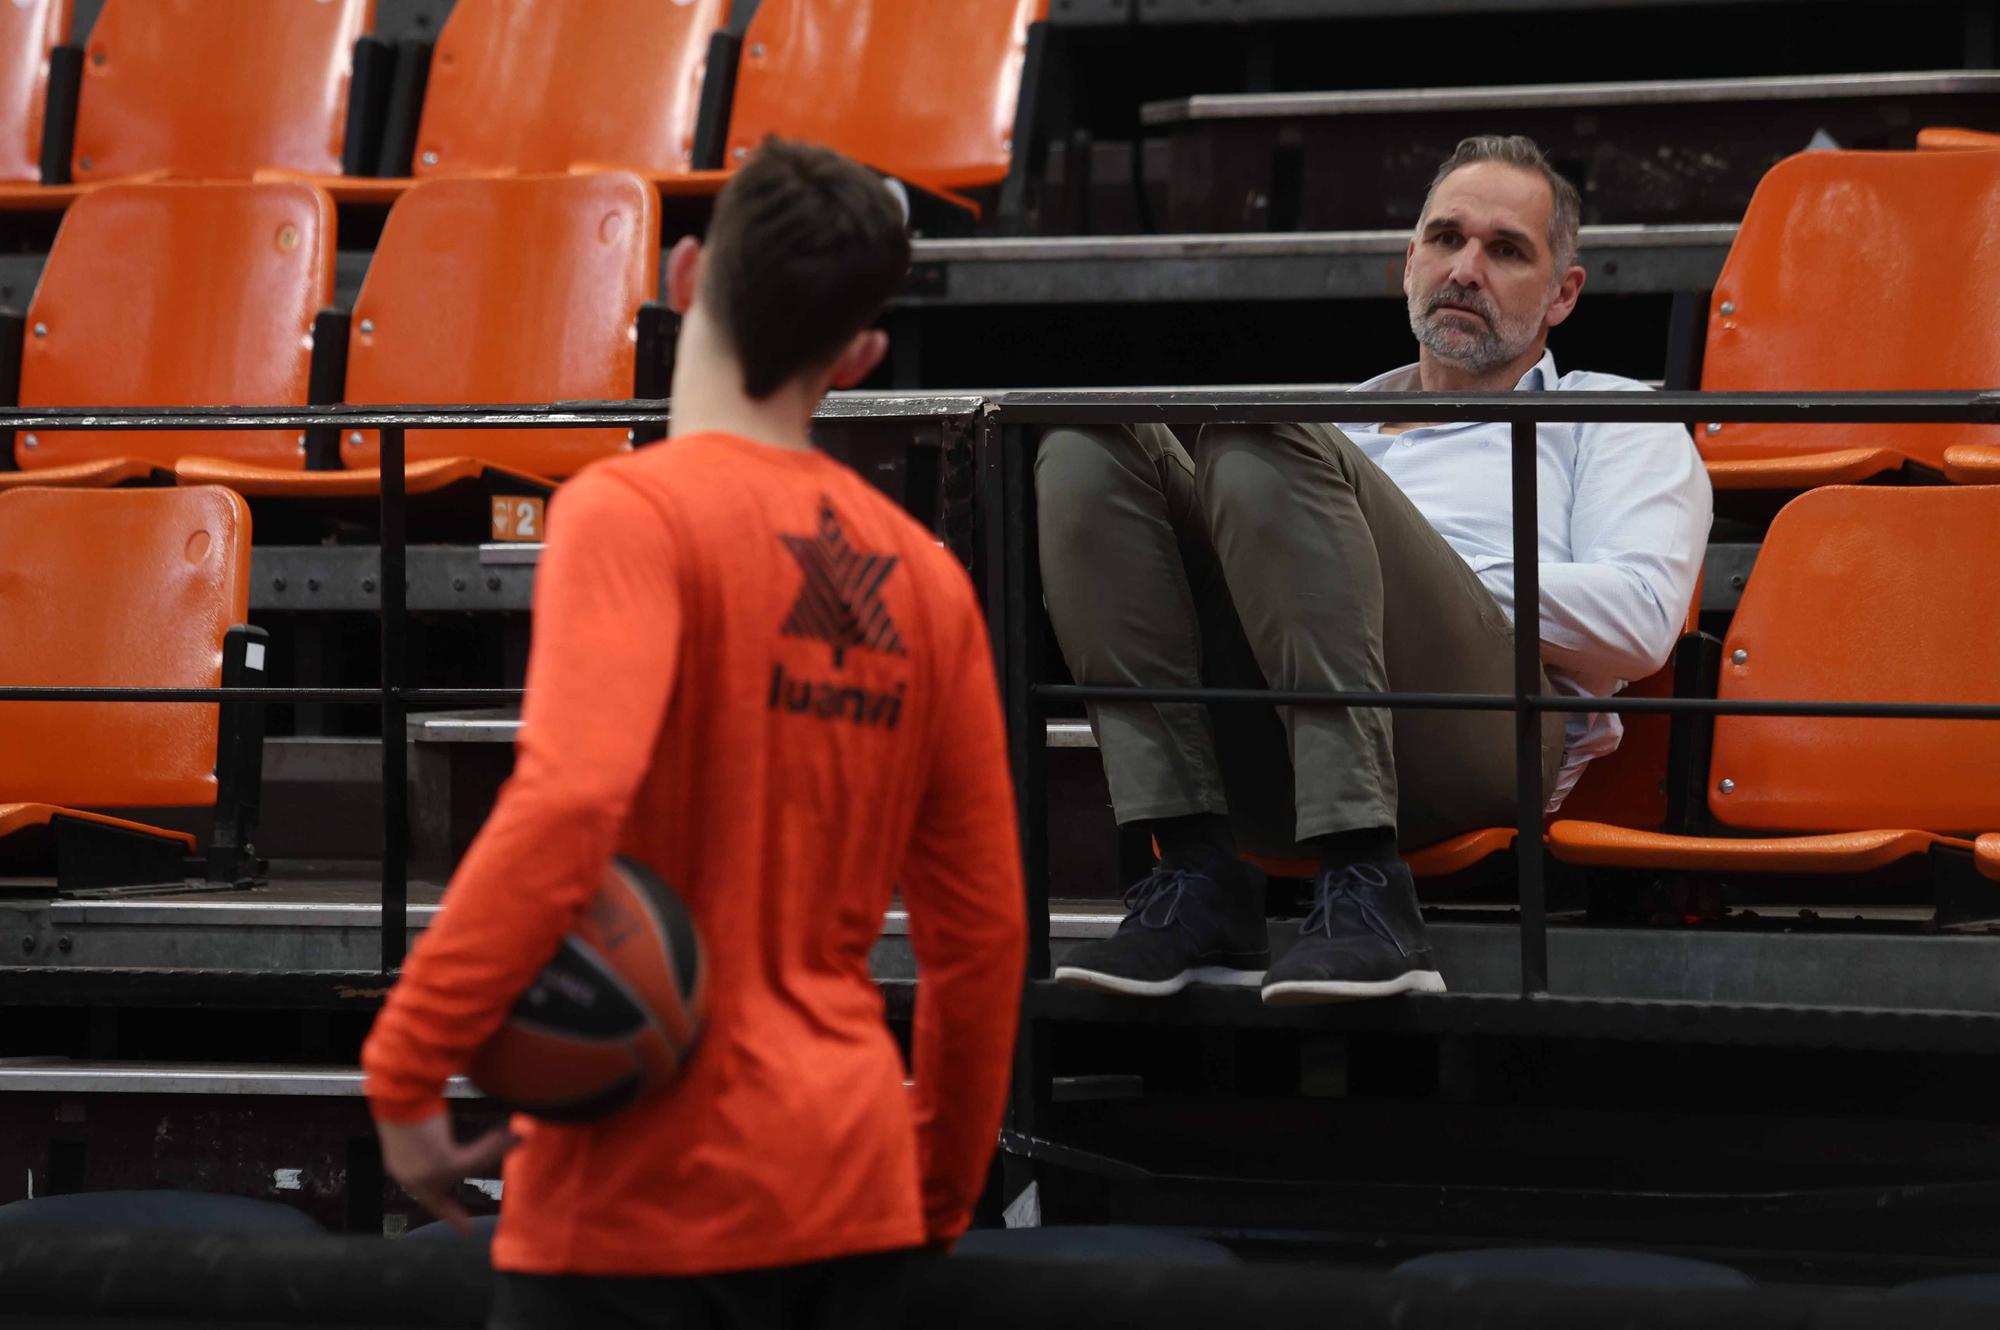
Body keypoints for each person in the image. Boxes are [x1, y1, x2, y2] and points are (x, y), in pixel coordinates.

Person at [362, 139, 1026, 1330]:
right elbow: (980, 935)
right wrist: (928, 1189)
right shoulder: (927, 581)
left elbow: (570, 802)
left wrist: (409, 1057)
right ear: (860, 353)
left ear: (679, 275)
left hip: (638, 1199)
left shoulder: (628, 511)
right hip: (852, 1182)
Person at [1040, 134, 1710, 1006]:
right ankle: (1197, 869)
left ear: (1561, 295)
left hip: (1484, 733)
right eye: (1445, 239)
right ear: (1408, 262)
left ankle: (1367, 886)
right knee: (1084, 445)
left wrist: (1384, 568)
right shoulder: (1338, 428)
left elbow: (1642, 618)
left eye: (1506, 250)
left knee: (1260, 437)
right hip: (1268, 731)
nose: (1466, 268)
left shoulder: (1609, 414)